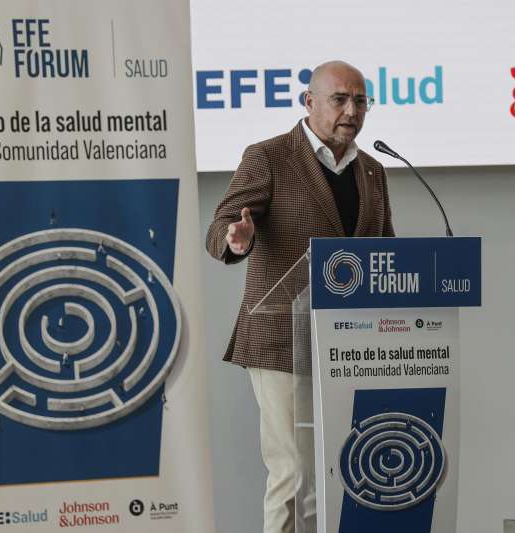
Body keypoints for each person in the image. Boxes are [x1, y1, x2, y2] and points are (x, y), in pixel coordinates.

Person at [206, 60, 394, 533]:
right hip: (281, 339)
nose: (351, 110)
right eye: (339, 99)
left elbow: (385, 248)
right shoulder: (269, 156)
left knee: (335, 473)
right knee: (292, 474)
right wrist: (237, 239)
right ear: (308, 103)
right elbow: (222, 226)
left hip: (349, 345)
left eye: (360, 100)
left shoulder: (372, 170)